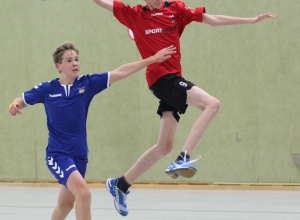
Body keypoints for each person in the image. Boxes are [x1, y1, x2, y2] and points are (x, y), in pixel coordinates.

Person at [93, 0, 277, 216]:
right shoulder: (133, 15)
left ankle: (121, 184)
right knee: (212, 104)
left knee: (164, 146)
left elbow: (212, 20)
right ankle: (183, 159)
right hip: (161, 79)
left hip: (173, 78)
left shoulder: (176, 9)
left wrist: (249, 20)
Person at [8, 41, 176, 220]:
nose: (75, 63)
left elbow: (120, 72)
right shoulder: (47, 89)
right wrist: (15, 104)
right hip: (58, 154)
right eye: (69, 60)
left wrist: (152, 59)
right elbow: (23, 99)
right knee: (84, 193)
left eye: (77, 59)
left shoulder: (87, 84)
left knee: (65, 205)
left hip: (80, 156)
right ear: (58, 66)